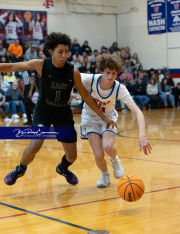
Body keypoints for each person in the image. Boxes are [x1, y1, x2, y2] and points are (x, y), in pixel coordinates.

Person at [1, 32, 116, 186]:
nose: (64, 55)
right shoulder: (41, 65)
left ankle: (62, 168)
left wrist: (104, 117)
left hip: (63, 113)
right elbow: (12, 66)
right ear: (51, 52)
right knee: (35, 144)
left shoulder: (72, 71)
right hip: (43, 111)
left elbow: (87, 97)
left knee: (72, 156)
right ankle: (20, 169)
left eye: (66, 52)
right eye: (60, 52)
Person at [80, 54, 152, 187]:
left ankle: (115, 159)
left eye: (113, 73)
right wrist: (70, 92)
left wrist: (142, 135)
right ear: (101, 70)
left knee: (108, 147)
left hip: (109, 117)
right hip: (90, 118)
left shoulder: (119, 88)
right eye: (107, 72)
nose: (110, 76)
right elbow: (70, 76)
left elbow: (138, 112)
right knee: (98, 155)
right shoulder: (89, 79)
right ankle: (105, 175)